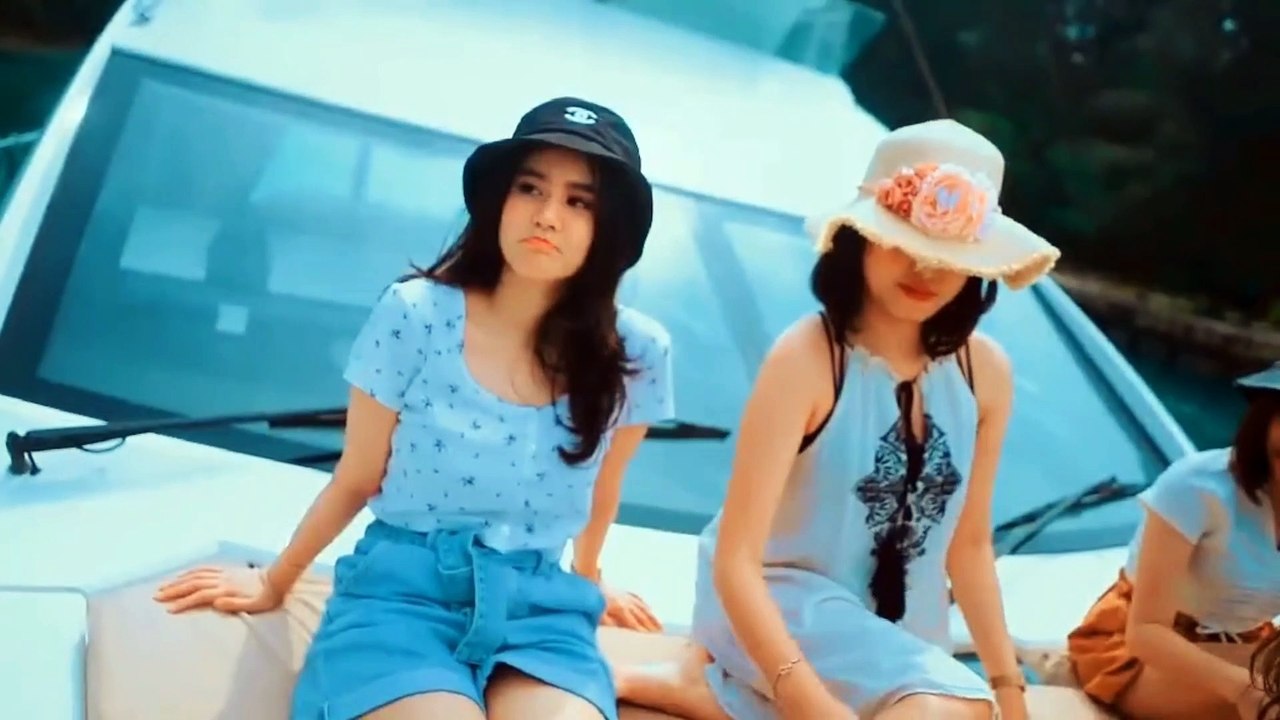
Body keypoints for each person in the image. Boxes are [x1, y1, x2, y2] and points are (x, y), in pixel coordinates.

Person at [153, 96, 676, 720]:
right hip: (402, 600)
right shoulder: (416, 315)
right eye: (530, 188)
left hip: (540, 613)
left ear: (607, 226)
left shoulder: (636, 351)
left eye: (578, 201)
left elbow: (602, 488)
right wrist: (275, 580)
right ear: (498, 200)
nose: (547, 216)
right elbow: (357, 476)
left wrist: (590, 577)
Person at [614, 119, 1062, 720]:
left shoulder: (985, 373)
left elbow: (970, 545)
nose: (925, 270)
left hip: (902, 639)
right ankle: (733, 686)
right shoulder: (807, 357)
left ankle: (716, 695)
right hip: (777, 608)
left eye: (950, 256)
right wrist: (805, 699)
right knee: (947, 711)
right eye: (901, 242)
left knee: (956, 708)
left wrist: (1009, 688)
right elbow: (736, 560)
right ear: (860, 240)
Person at [1066, 360, 1280, 720]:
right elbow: (1145, 633)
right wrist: (1246, 689)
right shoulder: (1198, 486)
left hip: (1248, 646)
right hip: (1137, 653)